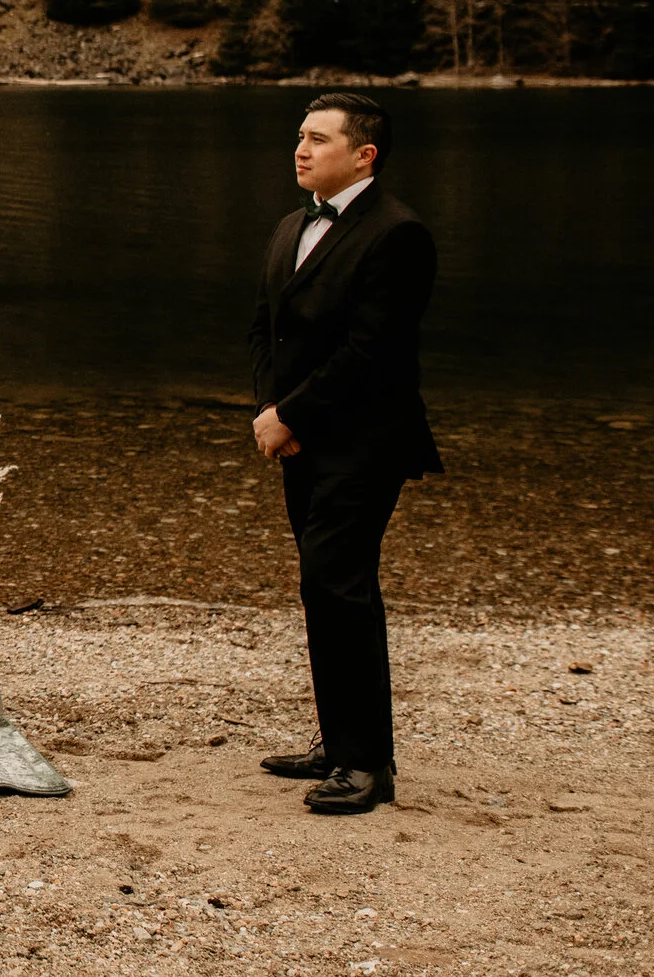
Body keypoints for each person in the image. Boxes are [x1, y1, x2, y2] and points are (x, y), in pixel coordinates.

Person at [247, 93, 441, 816]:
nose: (301, 148)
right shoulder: (290, 225)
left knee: (341, 584)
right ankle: (338, 743)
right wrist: (272, 412)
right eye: (299, 134)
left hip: (365, 441)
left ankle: (367, 764)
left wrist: (291, 413)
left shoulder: (398, 234)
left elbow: (372, 352)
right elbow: (263, 331)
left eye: (319, 138)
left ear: (365, 154)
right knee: (320, 585)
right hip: (300, 437)